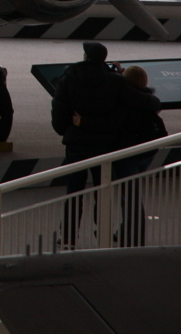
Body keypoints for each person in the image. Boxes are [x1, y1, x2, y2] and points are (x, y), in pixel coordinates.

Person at [50, 41, 161, 248]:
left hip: (76, 143)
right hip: (104, 145)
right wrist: (152, 100)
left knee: (74, 191)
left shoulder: (68, 78)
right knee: (102, 192)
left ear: (85, 56)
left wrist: (65, 129)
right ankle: (102, 234)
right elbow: (145, 101)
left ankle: (68, 238)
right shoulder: (115, 81)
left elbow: (58, 110)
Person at [114, 65, 167, 246]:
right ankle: (124, 231)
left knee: (129, 197)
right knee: (131, 193)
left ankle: (134, 237)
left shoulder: (124, 100)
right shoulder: (150, 99)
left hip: (128, 154)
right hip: (147, 152)